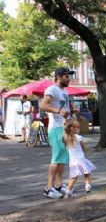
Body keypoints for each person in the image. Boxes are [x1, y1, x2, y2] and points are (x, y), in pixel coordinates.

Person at [40, 67, 74, 199]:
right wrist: (58, 111)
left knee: (62, 158)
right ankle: (49, 188)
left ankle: (59, 185)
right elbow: (43, 105)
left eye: (69, 76)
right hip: (55, 128)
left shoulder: (64, 91)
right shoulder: (52, 89)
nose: (68, 78)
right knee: (57, 157)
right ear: (59, 77)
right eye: (66, 76)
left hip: (64, 128)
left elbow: (64, 109)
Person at [62, 120, 96, 198]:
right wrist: (87, 151)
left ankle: (68, 192)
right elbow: (83, 147)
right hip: (81, 159)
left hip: (73, 161)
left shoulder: (66, 138)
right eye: (78, 127)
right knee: (87, 173)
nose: (79, 129)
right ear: (72, 128)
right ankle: (87, 186)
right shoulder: (79, 137)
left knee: (73, 177)